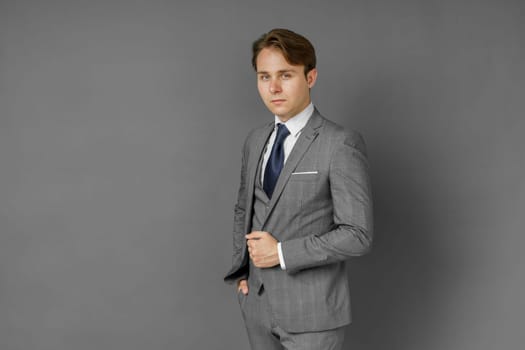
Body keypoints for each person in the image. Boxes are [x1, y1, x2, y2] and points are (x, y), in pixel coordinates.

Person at [224, 28, 373, 350]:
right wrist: (242, 271)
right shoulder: (254, 140)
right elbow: (244, 208)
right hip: (257, 306)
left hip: (313, 313)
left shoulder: (340, 143)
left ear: (311, 77)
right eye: (264, 77)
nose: (274, 87)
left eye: (286, 75)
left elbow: (357, 234)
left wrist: (279, 253)